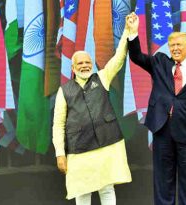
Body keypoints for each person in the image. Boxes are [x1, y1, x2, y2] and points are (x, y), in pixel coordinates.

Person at [127, 13, 186, 205]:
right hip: (163, 130)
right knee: (163, 182)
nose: (175, 49)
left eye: (179, 45)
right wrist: (133, 32)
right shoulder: (160, 62)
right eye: (172, 46)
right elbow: (136, 56)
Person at [52, 16, 134, 205]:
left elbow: (118, 58)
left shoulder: (102, 77)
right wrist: (59, 154)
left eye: (87, 62)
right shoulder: (63, 91)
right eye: (80, 63)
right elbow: (58, 124)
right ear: (73, 68)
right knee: (82, 192)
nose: (85, 65)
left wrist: (127, 33)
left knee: (107, 189)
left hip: (106, 144)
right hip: (79, 148)